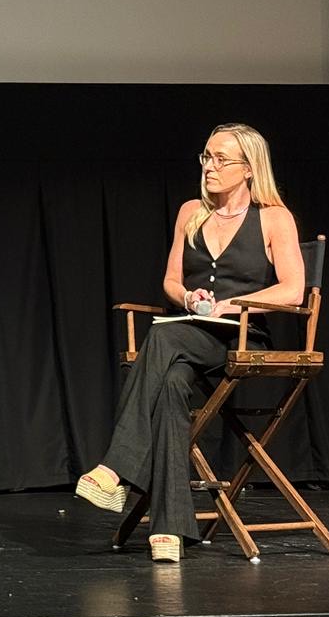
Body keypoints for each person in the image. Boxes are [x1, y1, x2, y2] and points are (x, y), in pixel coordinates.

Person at [75, 122, 304, 562]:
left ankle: (115, 467)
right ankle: (169, 529)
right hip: (190, 333)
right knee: (173, 384)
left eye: (221, 159)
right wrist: (190, 297)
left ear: (249, 168)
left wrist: (230, 305)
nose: (210, 167)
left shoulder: (274, 217)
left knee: (162, 335)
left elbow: (291, 290)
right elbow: (171, 281)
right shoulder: (190, 212)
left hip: (241, 338)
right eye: (206, 156)